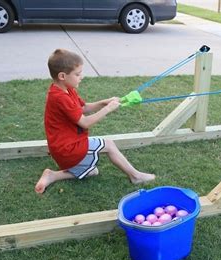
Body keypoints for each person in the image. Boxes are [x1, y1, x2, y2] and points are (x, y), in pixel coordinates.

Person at [35, 49, 155, 194]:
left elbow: (84, 108)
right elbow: (84, 122)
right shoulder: (60, 97)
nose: (81, 77)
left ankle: (53, 175)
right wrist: (108, 109)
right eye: (77, 74)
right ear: (62, 76)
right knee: (109, 145)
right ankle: (135, 176)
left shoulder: (66, 89)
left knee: (93, 171)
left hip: (67, 144)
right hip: (67, 149)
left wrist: (106, 102)